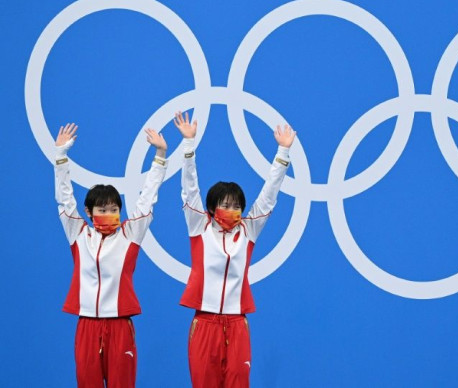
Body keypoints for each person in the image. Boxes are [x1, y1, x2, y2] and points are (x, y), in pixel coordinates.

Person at [173, 111, 295, 387]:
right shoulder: (198, 227)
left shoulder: (248, 230)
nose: (232, 210)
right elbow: (189, 189)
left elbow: (268, 196)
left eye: (237, 205)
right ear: (212, 208)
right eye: (225, 205)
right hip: (204, 324)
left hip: (238, 324)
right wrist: (188, 145)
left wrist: (283, 152)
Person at [54, 123, 168, 387]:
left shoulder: (130, 234)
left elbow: (147, 199)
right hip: (87, 327)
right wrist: (60, 156)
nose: (109, 215)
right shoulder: (78, 234)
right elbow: (64, 199)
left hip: (120, 326)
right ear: (89, 212)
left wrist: (160, 157)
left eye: (114, 209)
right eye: (102, 210)